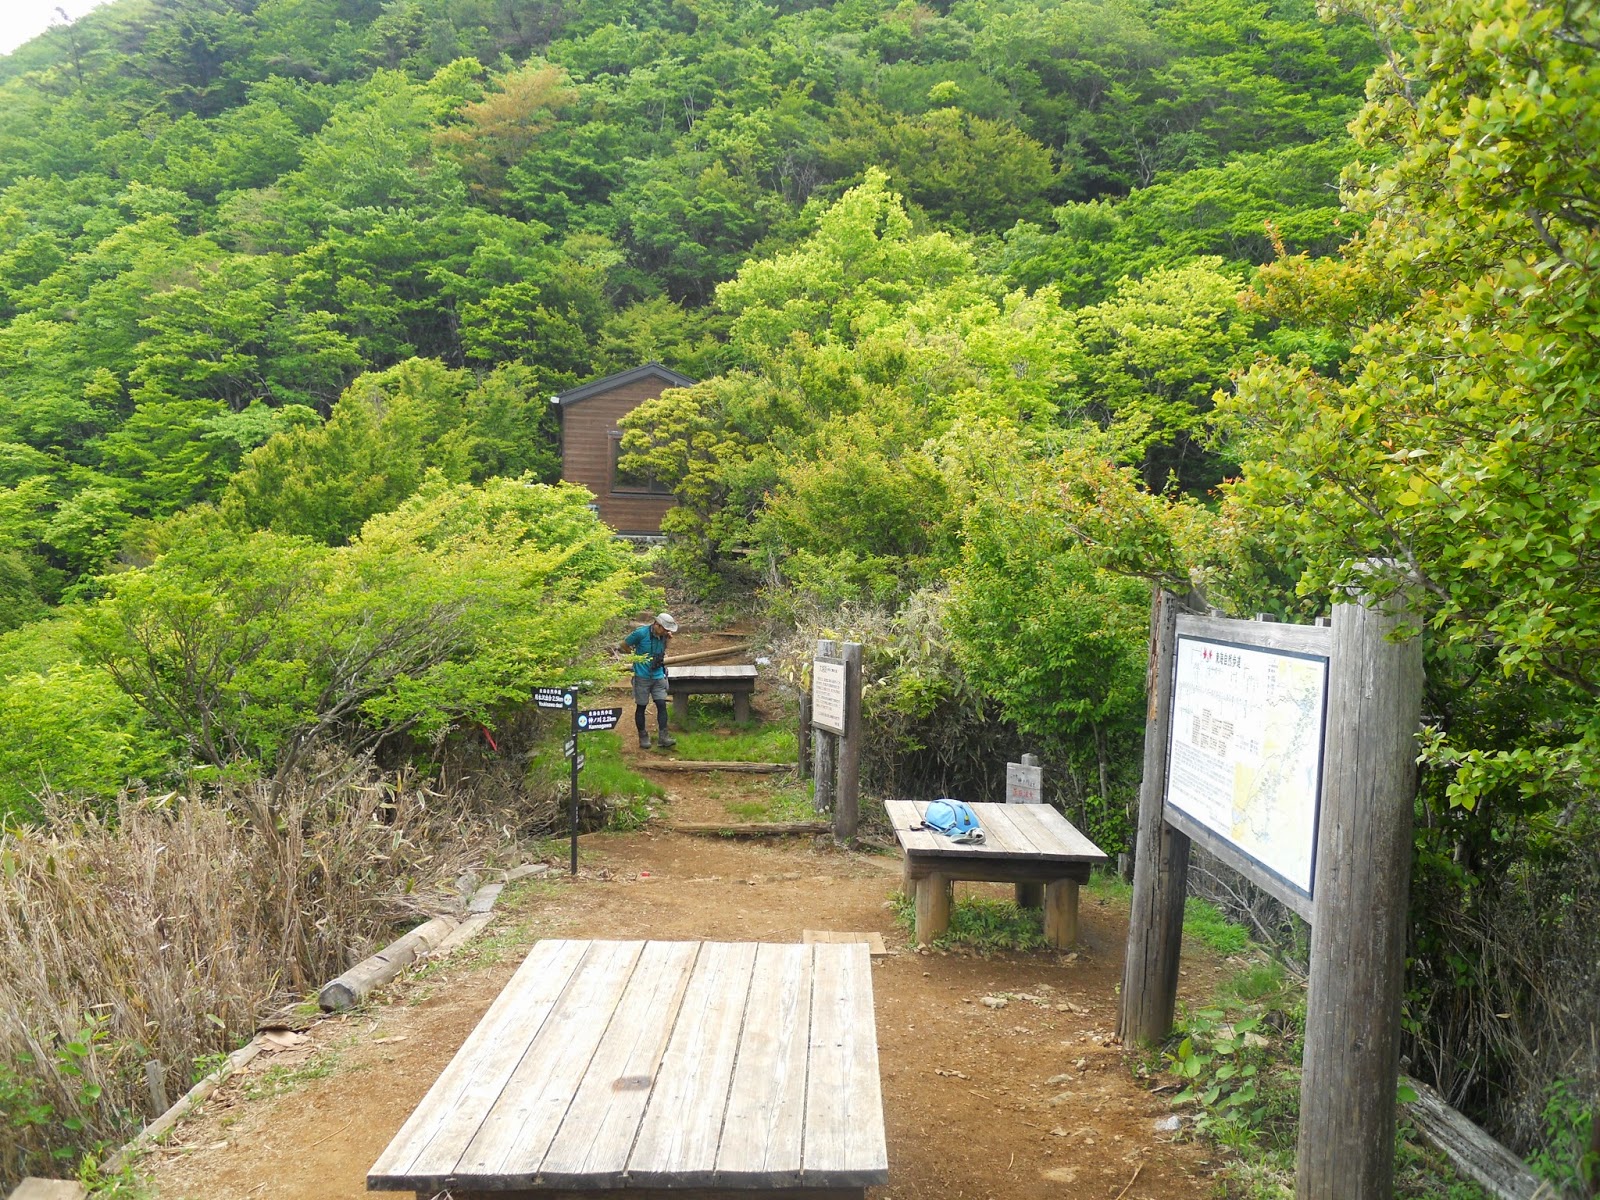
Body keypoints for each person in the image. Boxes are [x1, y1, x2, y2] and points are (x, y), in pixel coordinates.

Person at [623, 612, 679, 748]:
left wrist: (667, 639)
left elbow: (663, 649)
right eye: (664, 629)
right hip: (642, 676)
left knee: (661, 704)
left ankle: (663, 737)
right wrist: (635, 657)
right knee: (641, 706)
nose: (666, 632)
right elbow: (624, 644)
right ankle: (643, 736)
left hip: (658, 675)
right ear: (657, 625)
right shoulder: (641, 633)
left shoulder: (664, 636)